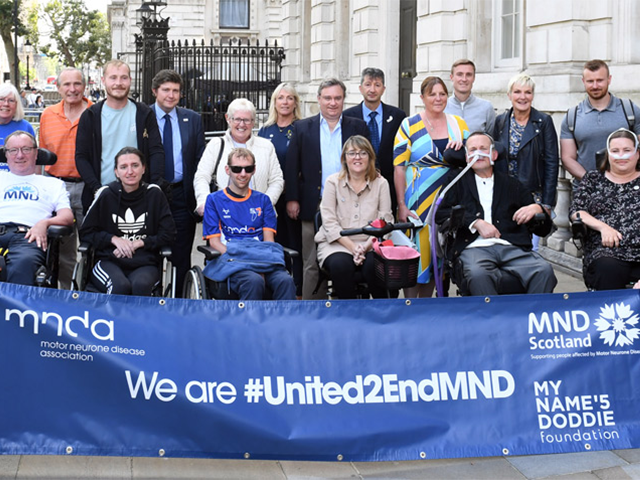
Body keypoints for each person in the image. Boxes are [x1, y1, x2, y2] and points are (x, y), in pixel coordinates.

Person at [435, 132, 557, 296]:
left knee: (544, 271)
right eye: (473, 150)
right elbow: (441, 214)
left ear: (493, 154)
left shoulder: (512, 184)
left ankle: (529, 317)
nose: (478, 153)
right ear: (466, 157)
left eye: (483, 148)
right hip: (474, 248)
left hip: (512, 247)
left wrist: (538, 209)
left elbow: (543, 230)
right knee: (479, 275)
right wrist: (475, 222)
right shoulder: (456, 182)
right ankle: (492, 320)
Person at [285, 78, 369, 299]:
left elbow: (369, 162)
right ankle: (314, 309)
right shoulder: (303, 128)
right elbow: (292, 166)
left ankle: (346, 305)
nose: (333, 103)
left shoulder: (357, 126)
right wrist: (292, 199)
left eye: (338, 98)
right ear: (319, 99)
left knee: (348, 255)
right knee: (311, 261)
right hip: (314, 204)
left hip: (350, 205)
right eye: (328, 98)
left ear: (344, 100)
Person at [393, 76, 469, 297]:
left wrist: (463, 147)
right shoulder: (409, 124)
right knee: (414, 253)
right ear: (422, 98)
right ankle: (410, 305)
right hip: (416, 200)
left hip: (447, 199)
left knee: (438, 254)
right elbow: (398, 166)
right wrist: (400, 204)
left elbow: (473, 157)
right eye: (432, 94)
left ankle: (426, 304)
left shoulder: (458, 124)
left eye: (442, 94)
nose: (438, 98)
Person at [79, 147, 176, 296]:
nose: (130, 171)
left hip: (145, 262)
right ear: (116, 172)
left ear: (143, 168)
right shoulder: (106, 195)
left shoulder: (155, 195)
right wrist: (113, 239)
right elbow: (86, 233)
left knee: (141, 285)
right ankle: (109, 320)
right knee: (119, 286)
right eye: (123, 167)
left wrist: (140, 243)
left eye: (135, 165)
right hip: (108, 260)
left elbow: (169, 234)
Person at [202, 148, 296, 301]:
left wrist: (261, 263)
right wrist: (245, 262)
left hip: (261, 257)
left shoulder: (264, 200)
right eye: (237, 169)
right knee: (253, 281)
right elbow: (214, 243)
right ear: (228, 170)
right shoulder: (214, 200)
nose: (243, 174)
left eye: (248, 168)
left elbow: (269, 241)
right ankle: (248, 324)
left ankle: (284, 324)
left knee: (285, 281)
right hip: (232, 260)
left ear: (254, 170)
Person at [75, 59, 164, 212]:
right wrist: (97, 189)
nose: (119, 83)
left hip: (139, 197)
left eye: (124, 78)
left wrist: (152, 186)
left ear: (130, 80)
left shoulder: (144, 113)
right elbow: (81, 157)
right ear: (103, 80)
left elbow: (156, 151)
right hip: (101, 196)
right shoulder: (90, 116)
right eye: (113, 78)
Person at [315, 135, 393, 299]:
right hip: (337, 243)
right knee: (340, 266)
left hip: (372, 243)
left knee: (374, 266)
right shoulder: (332, 182)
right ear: (344, 158)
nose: (357, 157)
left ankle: (381, 315)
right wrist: (352, 247)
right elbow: (329, 223)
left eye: (363, 153)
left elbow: (385, 221)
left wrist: (364, 247)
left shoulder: (381, 183)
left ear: (370, 157)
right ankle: (349, 314)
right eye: (352, 153)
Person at [151, 69, 205, 297]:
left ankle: (180, 303)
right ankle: (152, 299)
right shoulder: (142, 117)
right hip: (151, 197)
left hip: (182, 196)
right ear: (155, 91)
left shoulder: (192, 119)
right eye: (166, 90)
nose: (171, 95)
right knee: (151, 253)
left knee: (182, 254)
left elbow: (200, 159)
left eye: (175, 91)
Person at [39, 67, 93, 289]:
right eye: (67, 85)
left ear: (85, 86)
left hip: (88, 187)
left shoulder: (96, 112)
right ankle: (65, 295)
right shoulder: (47, 115)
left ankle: (91, 291)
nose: (72, 89)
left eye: (77, 84)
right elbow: (40, 157)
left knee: (93, 244)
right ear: (59, 88)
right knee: (62, 248)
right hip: (56, 187)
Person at [494, 73, 559, 249]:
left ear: (533, 95)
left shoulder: (543, 122)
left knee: (531, 249)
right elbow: (493, 159)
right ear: (509, 95)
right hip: (505, 197)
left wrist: (546, 203)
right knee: (505, 246)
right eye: (517, 92)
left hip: (532, 197)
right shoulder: (500, 122)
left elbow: (552, 163)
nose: (522, 97)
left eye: (528, 92)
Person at [570, 129, 640, 290]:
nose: (621, 156)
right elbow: (576, 211)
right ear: (608, 154)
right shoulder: (593, 179)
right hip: (607, 251)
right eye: (615, 151)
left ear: (637, 154)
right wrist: (603, 227)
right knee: (607, 268)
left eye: (627, 150)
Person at [0, 131, 73, 285]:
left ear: (36, 153)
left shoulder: (53, 184)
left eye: (26, 149)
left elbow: (67, 217)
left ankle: (13, 308)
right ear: (6, 155)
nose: (20, 155)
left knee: (23, 264)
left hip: (28, 236)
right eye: (13, 150)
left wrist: (43, 224)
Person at [194, 98, 283, 215]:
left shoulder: (266, 147)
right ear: (228, 119)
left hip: (259, 217)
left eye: (246, 120)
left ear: (253, 122)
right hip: (222, 215)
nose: (242, 124)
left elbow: (276, 180)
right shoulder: (215, 145)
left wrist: (265, 204)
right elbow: (201, 176)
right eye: (237, 119)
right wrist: (204, 202)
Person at [561, 59, 640, 184]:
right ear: (583, 82)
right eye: (590, 81)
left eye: (599, 80)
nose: (595, 86)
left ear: (609, 79)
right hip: (586, 190)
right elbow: (567, 158)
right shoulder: (572, 116)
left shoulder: (629, 110)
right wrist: (591, 181)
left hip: (626, 188)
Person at [258, 82, 303, 296]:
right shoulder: (265, 130)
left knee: (295, 245)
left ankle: (298, 290)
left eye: (289, 98)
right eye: (280, 98)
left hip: (293, 198)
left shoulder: (302, 128)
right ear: (274, 102)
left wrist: (292, 194)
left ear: (295, 102)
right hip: (270, 199)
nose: (285, 102)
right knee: (273, 243)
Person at [343, 68, 407, 214]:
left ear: (383, 89)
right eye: (368, 84)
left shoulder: (398, 116)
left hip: (389, 183)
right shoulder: (348, 116)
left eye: (377, 85)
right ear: (360, 88)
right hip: (357, 183)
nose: (372, 89)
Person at [444, 59, 496, 134]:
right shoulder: (443, 107)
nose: (464, 79)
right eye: (459, 74)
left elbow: (491, 139)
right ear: (451, 77)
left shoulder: (486, 107)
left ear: (474, 78)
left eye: (468, 75)